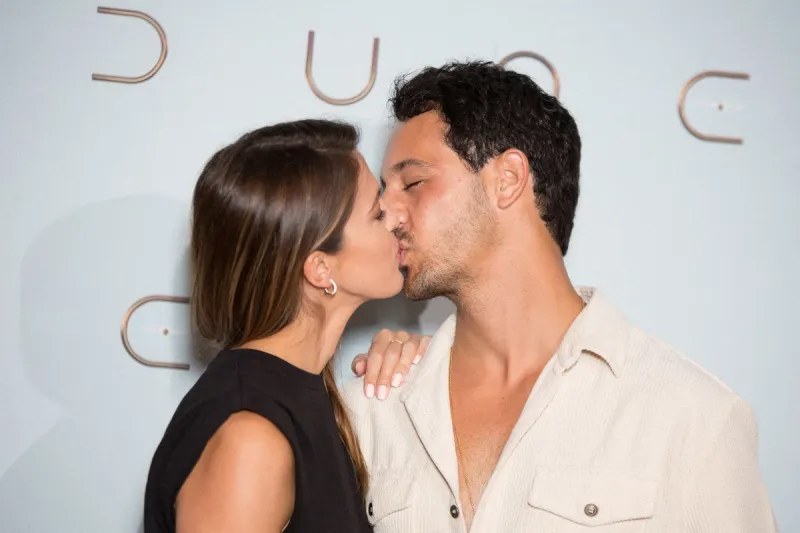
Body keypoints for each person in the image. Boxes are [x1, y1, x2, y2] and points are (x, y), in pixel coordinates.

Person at [344, 61, 778, 532]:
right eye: (385, 190)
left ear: (508, 179)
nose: (386, 212)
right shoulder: (374, 406)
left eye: (412, 183)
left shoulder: (691, 418)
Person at [142, 119, 428, 533]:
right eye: (376, 213)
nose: (396, 219)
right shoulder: (250, 440)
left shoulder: (302, 392)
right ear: (320, 268)